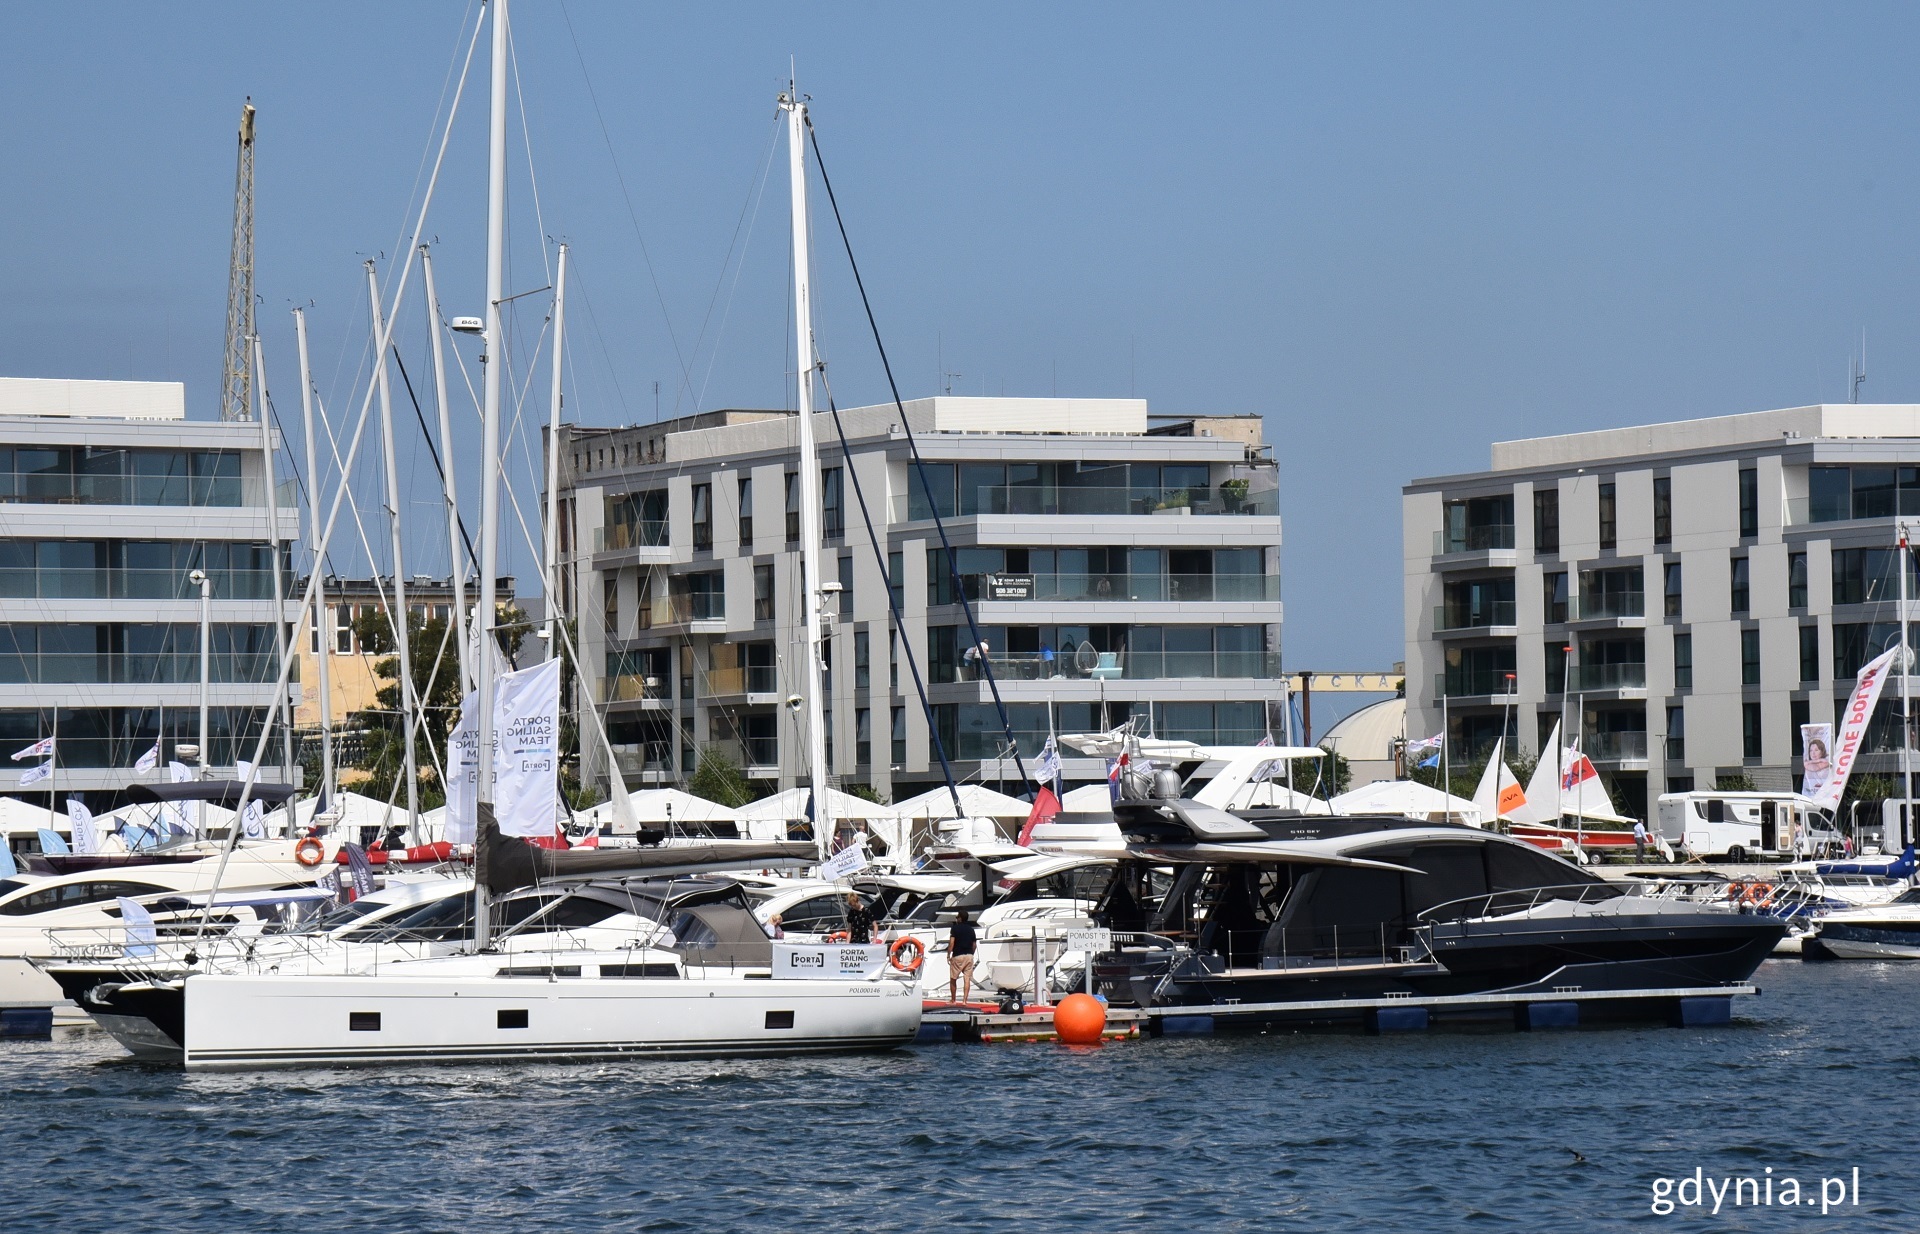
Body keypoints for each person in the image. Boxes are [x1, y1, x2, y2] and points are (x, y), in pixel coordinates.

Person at [947, 908, 978, 1004]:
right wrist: (971, 954)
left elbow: (951, 943)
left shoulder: (955, 928)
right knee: (967, 978)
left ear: (960, 918)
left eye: (957, 917)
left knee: (953, 978)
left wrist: (948, 955)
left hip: (958, 956)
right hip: (969, 955)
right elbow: (974, 945)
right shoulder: (971, 929)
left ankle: (953, 1000)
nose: (956, 919)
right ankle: (964, 1001)